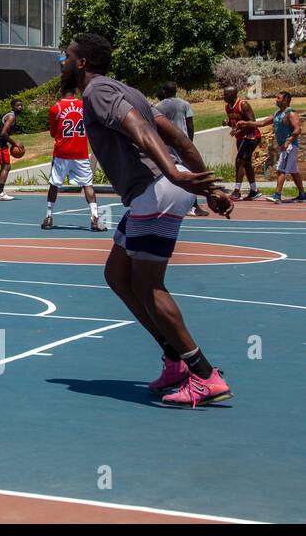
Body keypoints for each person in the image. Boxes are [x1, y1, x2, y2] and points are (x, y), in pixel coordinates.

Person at [61, 33, 235, 407]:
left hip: (154, 192)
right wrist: (207, 188)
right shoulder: (129, 90)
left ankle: (204, 374)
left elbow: (140, 132)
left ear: (81, 63)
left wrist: (173, 176)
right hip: (154, 191)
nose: (62, 61)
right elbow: (181, 140)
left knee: (149, 287)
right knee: (116, 274)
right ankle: (174, 359)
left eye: (66, 55)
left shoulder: (96, 93)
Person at [43, 84, 105, 231]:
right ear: (75, 92)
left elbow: (53, 133)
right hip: (81, 153)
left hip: (62, 153)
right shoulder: (84, 107)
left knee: (54, 184)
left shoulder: (55, 108)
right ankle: (95, 218)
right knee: (87, 185)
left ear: (61, 92)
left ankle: (48, 217)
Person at [235, 91, 303, 203]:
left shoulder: (291, 114)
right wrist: (246, 123)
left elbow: (297, 129)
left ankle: (277, 195)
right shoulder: (276, 114)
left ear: (285, 100)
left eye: (278, 98)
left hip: (289, 147)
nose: (276, 99)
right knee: (293, 171)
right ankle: (302, 194)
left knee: (281, 169)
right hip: (285, 147)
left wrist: (289, 141)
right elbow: (262, 123)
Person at [153, 82, 208, 216]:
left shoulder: (158, 106)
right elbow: (190, 124)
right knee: (190, 171)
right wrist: (189, 143)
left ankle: (166, 203)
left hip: (166, 143)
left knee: (168, 172)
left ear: (164, 91)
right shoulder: (184, 104)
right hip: (181, 142)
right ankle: (193, 206)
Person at [222, 86, 261, 200]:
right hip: (240, 138)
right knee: (246, 163)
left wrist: (239, 128)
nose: (223, 96)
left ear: (233, 95)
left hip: (251, 137)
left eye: (225, 94)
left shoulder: (243, 104)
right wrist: (227, 123)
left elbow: (253, 122)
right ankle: (254, 190)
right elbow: (234, 123)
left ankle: (237, 191)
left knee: (239, 161)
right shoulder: (227, 107)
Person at [0, 100, 23, 201]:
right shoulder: (11, 117)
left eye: (21, 105)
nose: (20, 107)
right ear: (12, 107)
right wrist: (15, 144)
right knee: (6, 166)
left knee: (4, 166)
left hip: (0, 143)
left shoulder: (12, 116)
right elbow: (3, 133)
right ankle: (0, 194)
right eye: (18, 105)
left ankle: (0, 192)